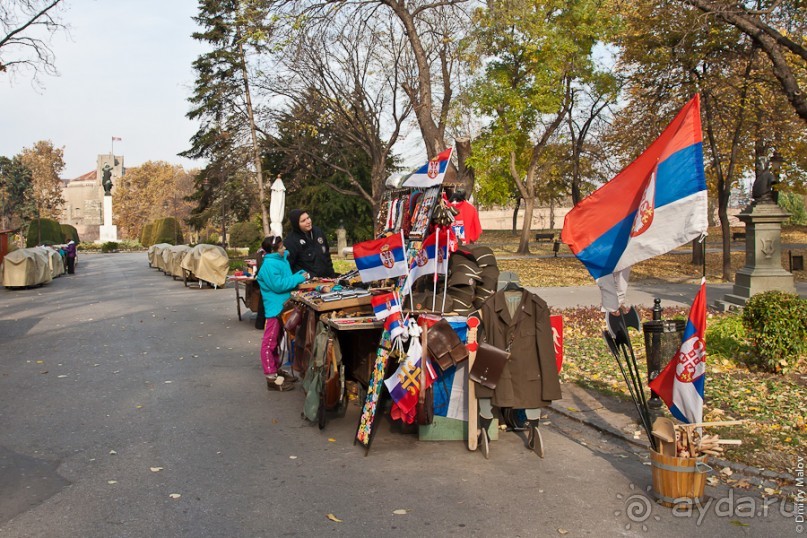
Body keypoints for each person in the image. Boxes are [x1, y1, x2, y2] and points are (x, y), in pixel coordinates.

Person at [256, 235, 309, 391]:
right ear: (274, 250)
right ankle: (271, 377)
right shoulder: (270, 265)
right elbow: (279, 285)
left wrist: (298, 275)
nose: (284, 248)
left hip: (282, 307)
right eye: (281, 247)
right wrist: (298, 277)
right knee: (269, 343)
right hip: (275, 310)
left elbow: (285, 279)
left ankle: (276, 369)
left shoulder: (279, 260)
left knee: (277, 341)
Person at [284, 209, 337, 278]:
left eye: (308, 218)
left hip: (326, 279)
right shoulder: (291, 241)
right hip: (307, 283)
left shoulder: (318, 232)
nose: (308, 222)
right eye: (303, 221)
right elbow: (289, 265)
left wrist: (332, 275)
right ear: (296, 224)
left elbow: (326, 255)